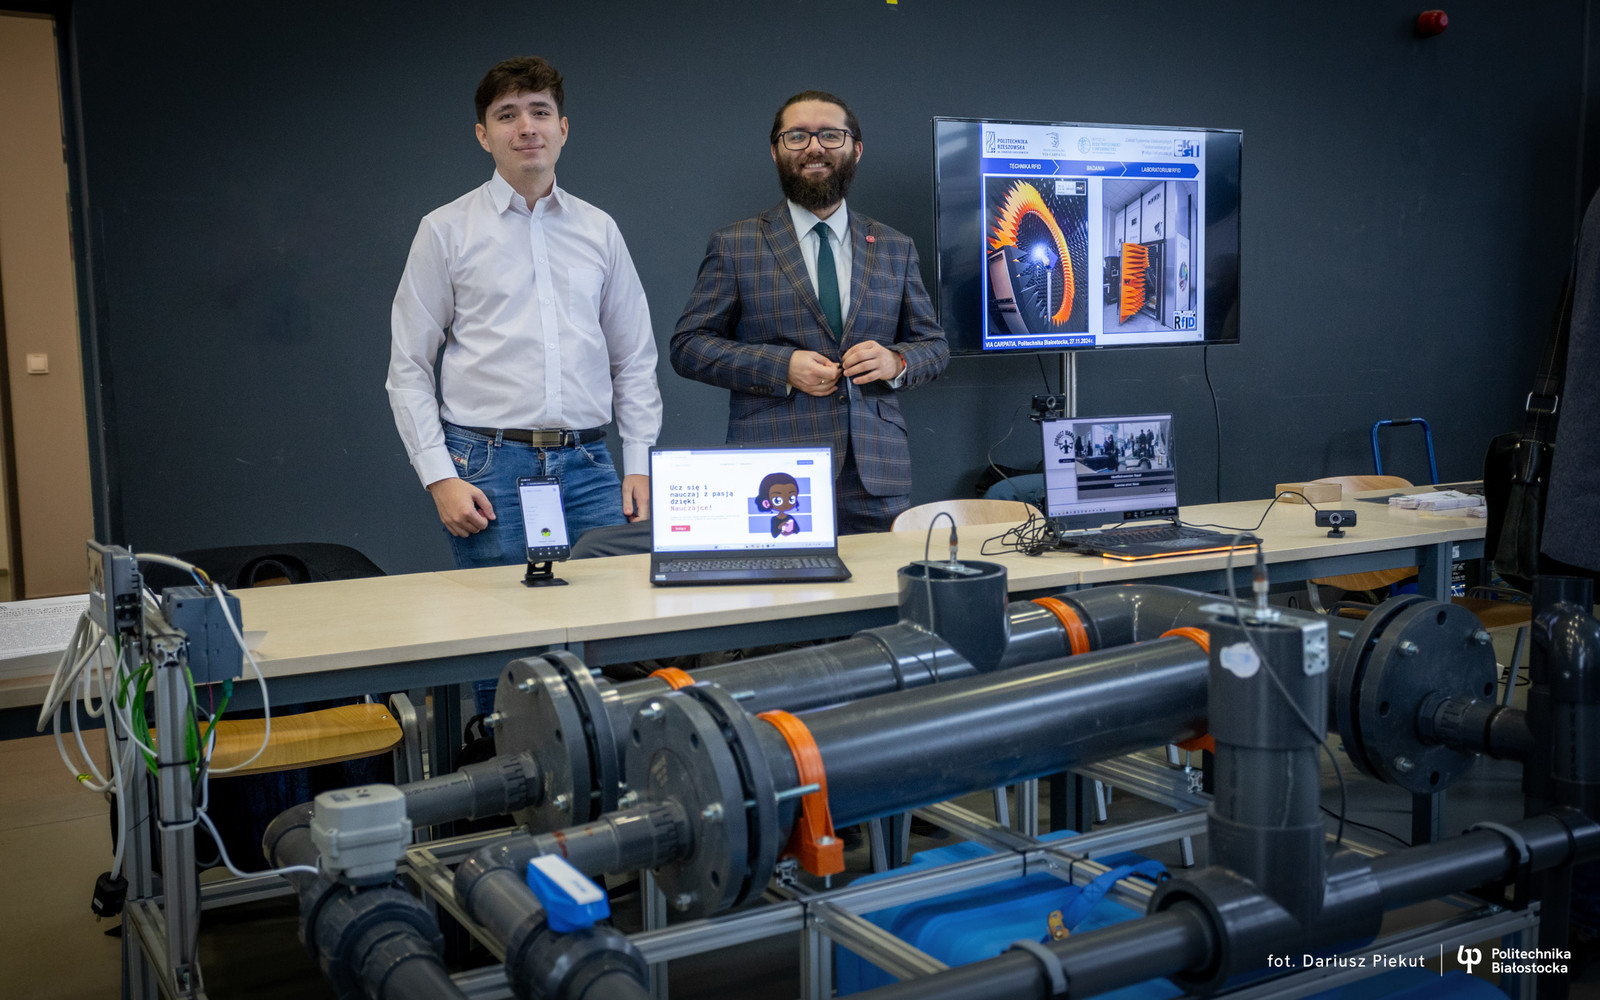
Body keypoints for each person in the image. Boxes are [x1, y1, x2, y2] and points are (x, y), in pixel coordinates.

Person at [387, 56, 661, 572]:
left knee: (613, 612)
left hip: (590, 467)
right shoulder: (445, 230)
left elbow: (633, 357)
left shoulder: (599, 229)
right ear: (483, 135)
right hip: (488, 468)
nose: (526, 127)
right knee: (506, 615)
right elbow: (408, 367)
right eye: (507, 115)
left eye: (539, 111)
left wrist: (640, 463)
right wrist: (439, 476)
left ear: (562, 129)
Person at [670, 90, 948, 533]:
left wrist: (896, 361)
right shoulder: (735, 244)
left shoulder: (895, 246)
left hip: (876, 473)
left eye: (830, 135)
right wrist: (782, 366)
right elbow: (689, 347)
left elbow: (933, 346)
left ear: (856, 149)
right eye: (797, 136)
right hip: (774, 471)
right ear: (775, 151)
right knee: (782, 581)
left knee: (880, 580)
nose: (814, 147)